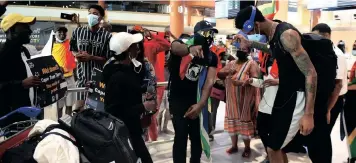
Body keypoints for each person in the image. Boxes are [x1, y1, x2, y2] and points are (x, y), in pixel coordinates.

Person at [234, 6, 319, 163]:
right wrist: (250, 43)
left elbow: (310, 73)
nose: (252, 35)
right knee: (274, 146)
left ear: (256, 24)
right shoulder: (274, 35)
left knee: (273, 148)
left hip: (296, 96)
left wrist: (309, 114)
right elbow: (276, 51)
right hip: (284, 94)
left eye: (251, 32)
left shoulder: (287, 35)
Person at [169, 20, 217, 163]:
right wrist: (189, 50)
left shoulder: (211, 56)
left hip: (196, 101)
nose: (210, 36)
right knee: (181, 137)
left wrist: (200, 105)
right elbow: (174, 47)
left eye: (212, 33)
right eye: (207, 32)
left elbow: (209, 82)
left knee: (197, 138)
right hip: (177, 100)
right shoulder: (183, 44)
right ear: (197, 34)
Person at [103, 32, 155, 163]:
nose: (138, 48)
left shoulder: (126, 70)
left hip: (131, 129)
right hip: (125, 131)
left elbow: (128, 95)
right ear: (126, 50)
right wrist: (143, 106)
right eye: (134, 46)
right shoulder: (118, 77)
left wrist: (143, 93)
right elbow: (114, 110)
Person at [217, 48, 260, 158]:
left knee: (244, 122)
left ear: (248, 52)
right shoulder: (231, 63)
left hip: (245, 99)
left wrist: (241, 82)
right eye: (239, 49)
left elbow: (255, 80)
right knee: (232, 121)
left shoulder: (252, 64)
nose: (241, 51)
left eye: (244, 50)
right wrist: (227, 72)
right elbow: (220, 74)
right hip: (231, 100)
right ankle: (234, 146)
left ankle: (247, 147)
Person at [131, 25, 170, 141]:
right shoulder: (147, 46)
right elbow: (167, 45)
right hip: (143, 87)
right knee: (148, 115)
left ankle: (151, 139)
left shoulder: (149, 46)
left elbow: (168, 45)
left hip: (153, 86)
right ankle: (149, 140)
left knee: (150, 115)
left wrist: (152, 35)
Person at [0, 13, 41, 126]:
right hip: (12, 116)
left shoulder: (25, 51)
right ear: (11, 31)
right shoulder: (3, 54)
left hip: (30, 110)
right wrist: (21, 84)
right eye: (25, 27)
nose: (30, 31)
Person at [70, 4, 111, 112]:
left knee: (96, 112)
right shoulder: (78, 32)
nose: (91, 16)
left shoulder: (107, 36)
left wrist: (91, 57)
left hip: (98, 82)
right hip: (81, 80)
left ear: (101, 18)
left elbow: (108, 59)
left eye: (95, 14)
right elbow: (72, 49)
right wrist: (76, 55)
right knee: (79, 110)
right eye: (89, 13)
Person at [311, 23, 348, 134]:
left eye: (316, 37)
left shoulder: (337, 54)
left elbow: (338, 85)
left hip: (333, 99)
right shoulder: (323, 51)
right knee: (318, 134)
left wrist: (328, 109)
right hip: (323, 97)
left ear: (326, 36)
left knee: (323, 134)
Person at [52, 27, 76, 117]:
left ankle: (67, 123)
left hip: (70, 77)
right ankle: (59, 124)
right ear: (55, 33)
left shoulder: (70, 43)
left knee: (69, 105)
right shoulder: (51, 46)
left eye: (64, 32)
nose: (62, 34)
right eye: (60, 32)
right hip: (58, 79)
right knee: (59, 106)